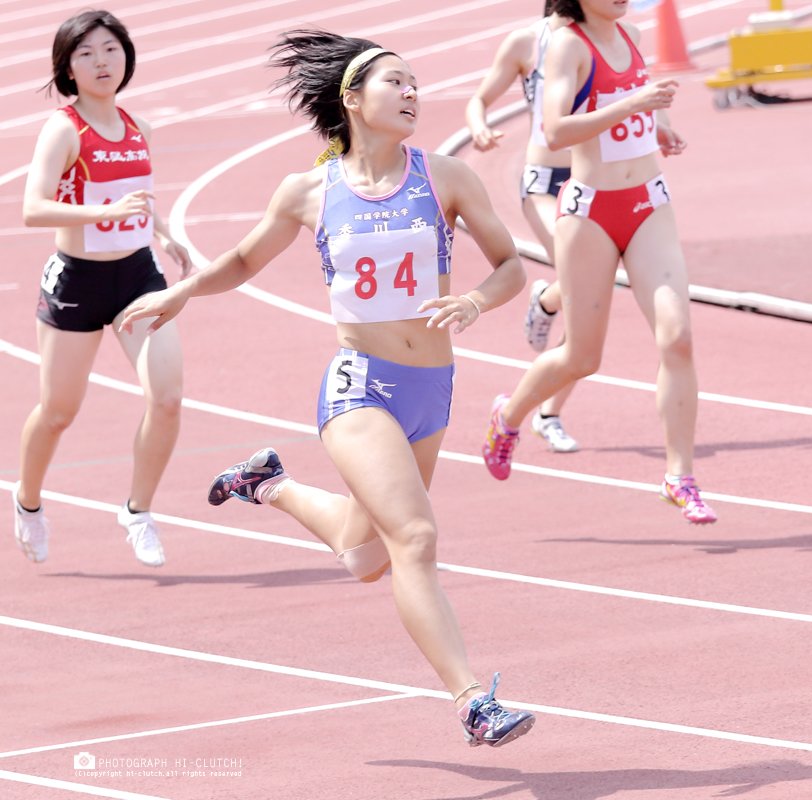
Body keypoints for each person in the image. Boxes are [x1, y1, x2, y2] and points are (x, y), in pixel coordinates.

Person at [120, 30, 536, 747]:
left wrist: (472, 301)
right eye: (395, 83)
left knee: (366, 555)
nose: (412, 94)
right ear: (352, 98)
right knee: (415, 536)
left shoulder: (444, 177)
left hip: (431, 387)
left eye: (415, 84)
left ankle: (267, 485)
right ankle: (472, 701)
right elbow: (245, 258)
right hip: (360, 386)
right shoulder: (309, 191)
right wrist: (180, 290)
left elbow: (511, 267)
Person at [480, 0, 717, 525]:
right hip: (589, 212)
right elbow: (557, 129)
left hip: (648, 203)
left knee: (677, 337)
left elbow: (641, 106)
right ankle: (510, 415)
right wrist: (636, 104)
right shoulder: (568, 44)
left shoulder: (630, 32)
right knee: (583, 357)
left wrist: (660, 125)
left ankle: (680, 477)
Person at [14, 10, 192, 567]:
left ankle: (138, 511)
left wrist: (164, 233)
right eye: (86, 53)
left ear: (127, 57)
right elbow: (32, 208)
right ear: (67, 66)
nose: (101, 62)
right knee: (58, 412)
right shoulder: (65, 129)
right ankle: (28, 502)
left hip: (138, 275)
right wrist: (104, 209)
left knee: (166, 399)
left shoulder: (134, 124)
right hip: (78, 279)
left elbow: (140, 193)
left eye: (111, 50)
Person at [465, 2, 580, 454]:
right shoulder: (526, 41)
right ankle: (553, 296)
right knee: (581, 274)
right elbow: (479, 99)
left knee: (591, 300)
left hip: (597, 181)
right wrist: (478, 127)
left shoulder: (608, 39)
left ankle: (549, 412)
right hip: (546, 182)